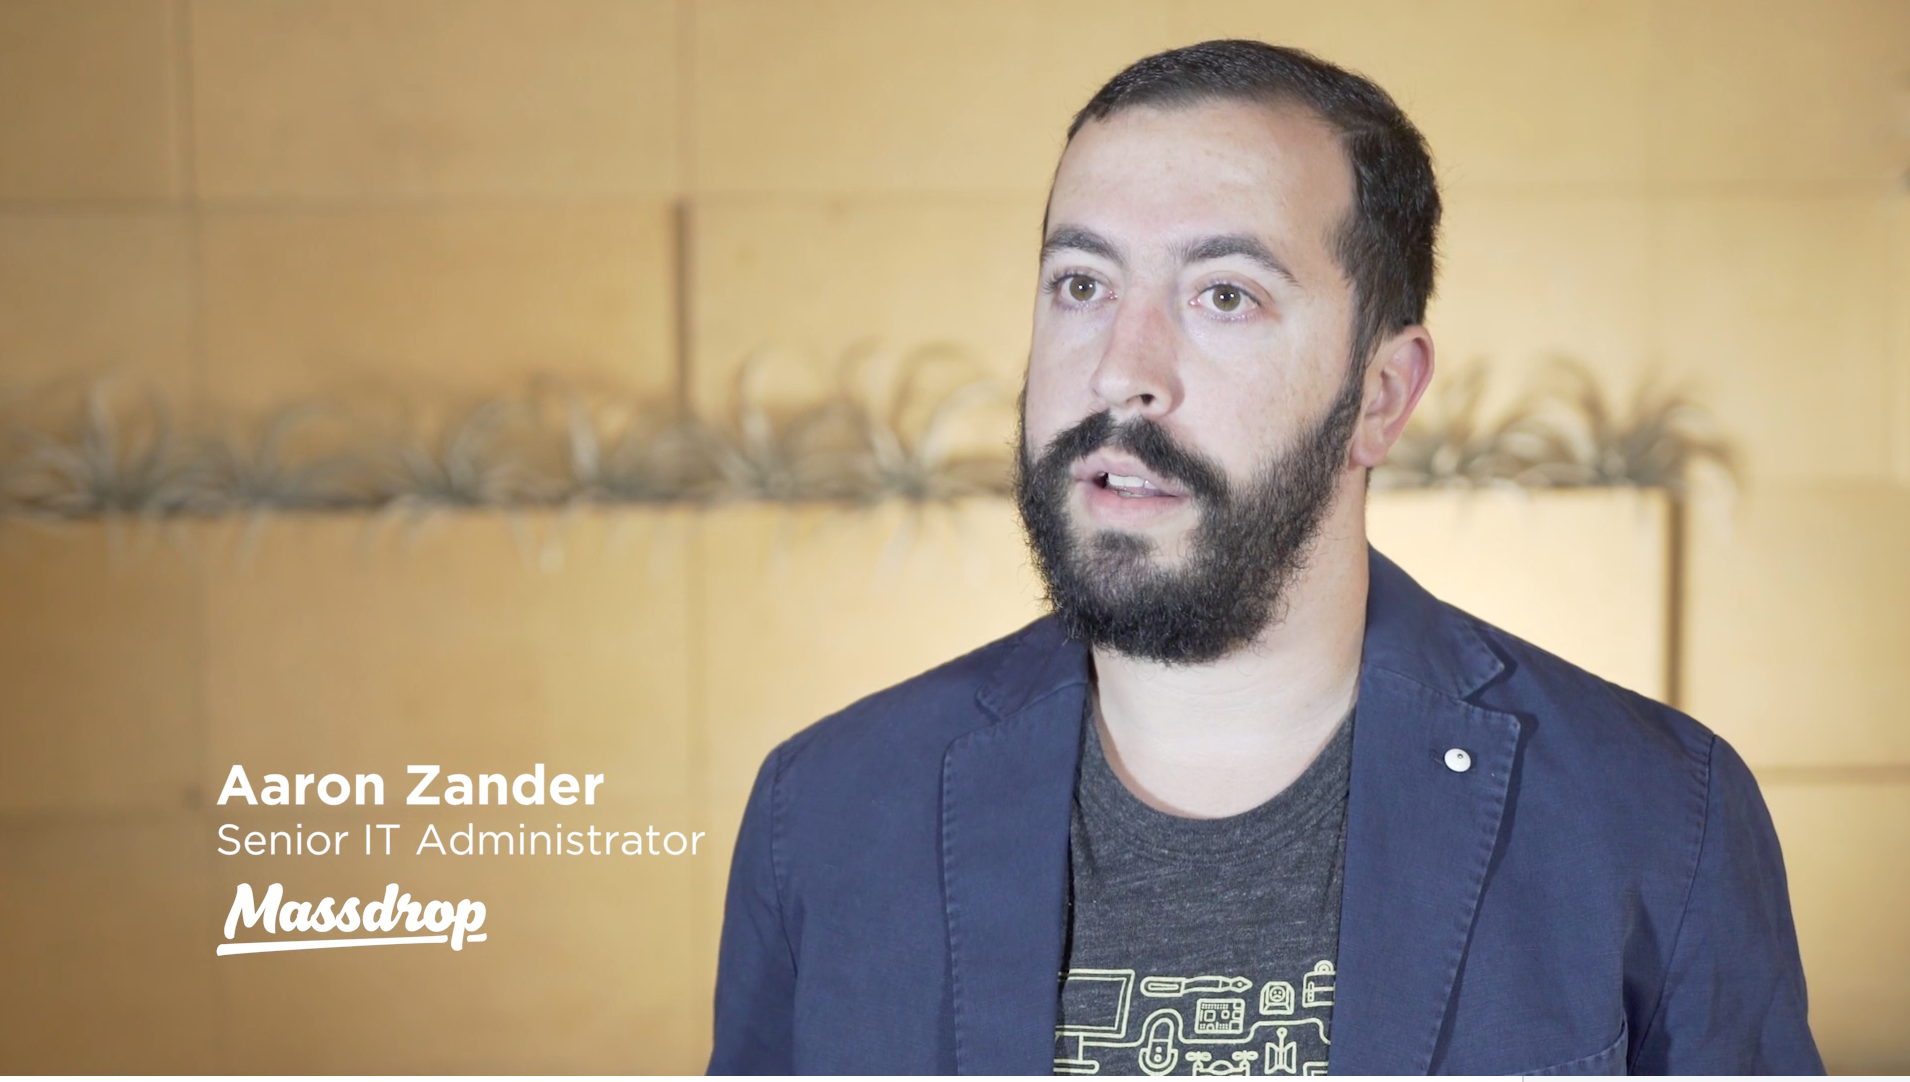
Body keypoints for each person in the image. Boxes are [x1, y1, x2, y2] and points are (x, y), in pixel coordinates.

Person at [707, 40, 1821, 1075]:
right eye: (1082, 284)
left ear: (1380, 396)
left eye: (1224, 295)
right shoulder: (826, 812)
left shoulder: (1656, 814)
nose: (1120, 372)